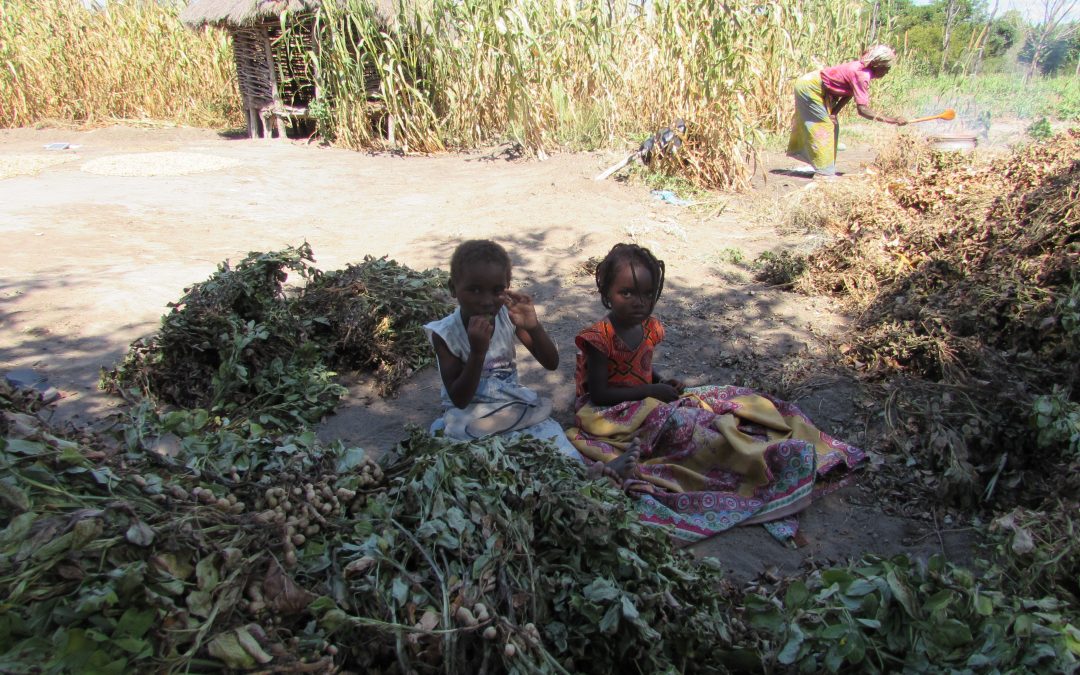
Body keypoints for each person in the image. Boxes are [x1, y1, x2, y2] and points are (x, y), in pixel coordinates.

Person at [567, 243, 865, 542]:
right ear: (606, 294)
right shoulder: (599, 339)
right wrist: (650, 391)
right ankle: (748, 461)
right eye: (627, 293)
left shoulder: (648, 328)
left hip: (641, 398)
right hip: (607, 411)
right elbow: (600, 393)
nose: (638, 303)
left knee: (717, 407)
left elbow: (641, 367)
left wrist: (662, 381)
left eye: (647, 294)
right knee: (682, 425)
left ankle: (762, 458)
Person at [424, 239, 584, 461]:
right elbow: (460, 398)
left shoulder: (507, 317)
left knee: (550, 438)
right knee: (458, 442)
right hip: (469, 411)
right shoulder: (446, 334)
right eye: (475, 290)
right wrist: (477, 353)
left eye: (497, 290)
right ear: (453, 289)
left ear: (507, 287)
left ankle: (585, 469)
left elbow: (551, 362)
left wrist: (533, 326)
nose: (486, 301)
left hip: (510, 402)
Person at [787, 44, 907, 178]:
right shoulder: (862, 75)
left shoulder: (862, 70)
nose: (887, 72)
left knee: (833, 126)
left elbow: (848, 93)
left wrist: (834, 113)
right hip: (809, 87)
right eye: (887, 68)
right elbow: (862, 110)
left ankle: (825, 167)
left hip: (818, 88)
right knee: (823, 127)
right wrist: (893, 120)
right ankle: (824, 173)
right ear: (878, 65)